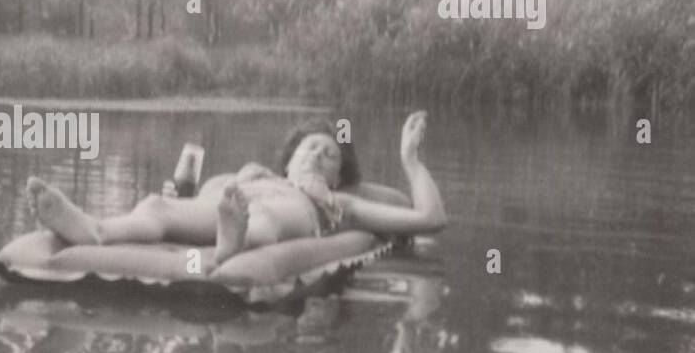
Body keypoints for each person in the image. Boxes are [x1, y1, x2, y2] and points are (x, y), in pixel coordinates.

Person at [25, 110, 446, 267]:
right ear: (290, 156)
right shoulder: (254, 174)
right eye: (311, 147)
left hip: (284, 215)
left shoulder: (338, 201)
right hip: (232, 206)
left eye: (330, 155)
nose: (318, 155)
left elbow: (430, 219)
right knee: (156, 204)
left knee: (260, 219)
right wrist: (192, 194)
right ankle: (95, 230)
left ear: (337, 176)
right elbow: (207, 195)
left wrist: (410, 159)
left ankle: (232, 247)